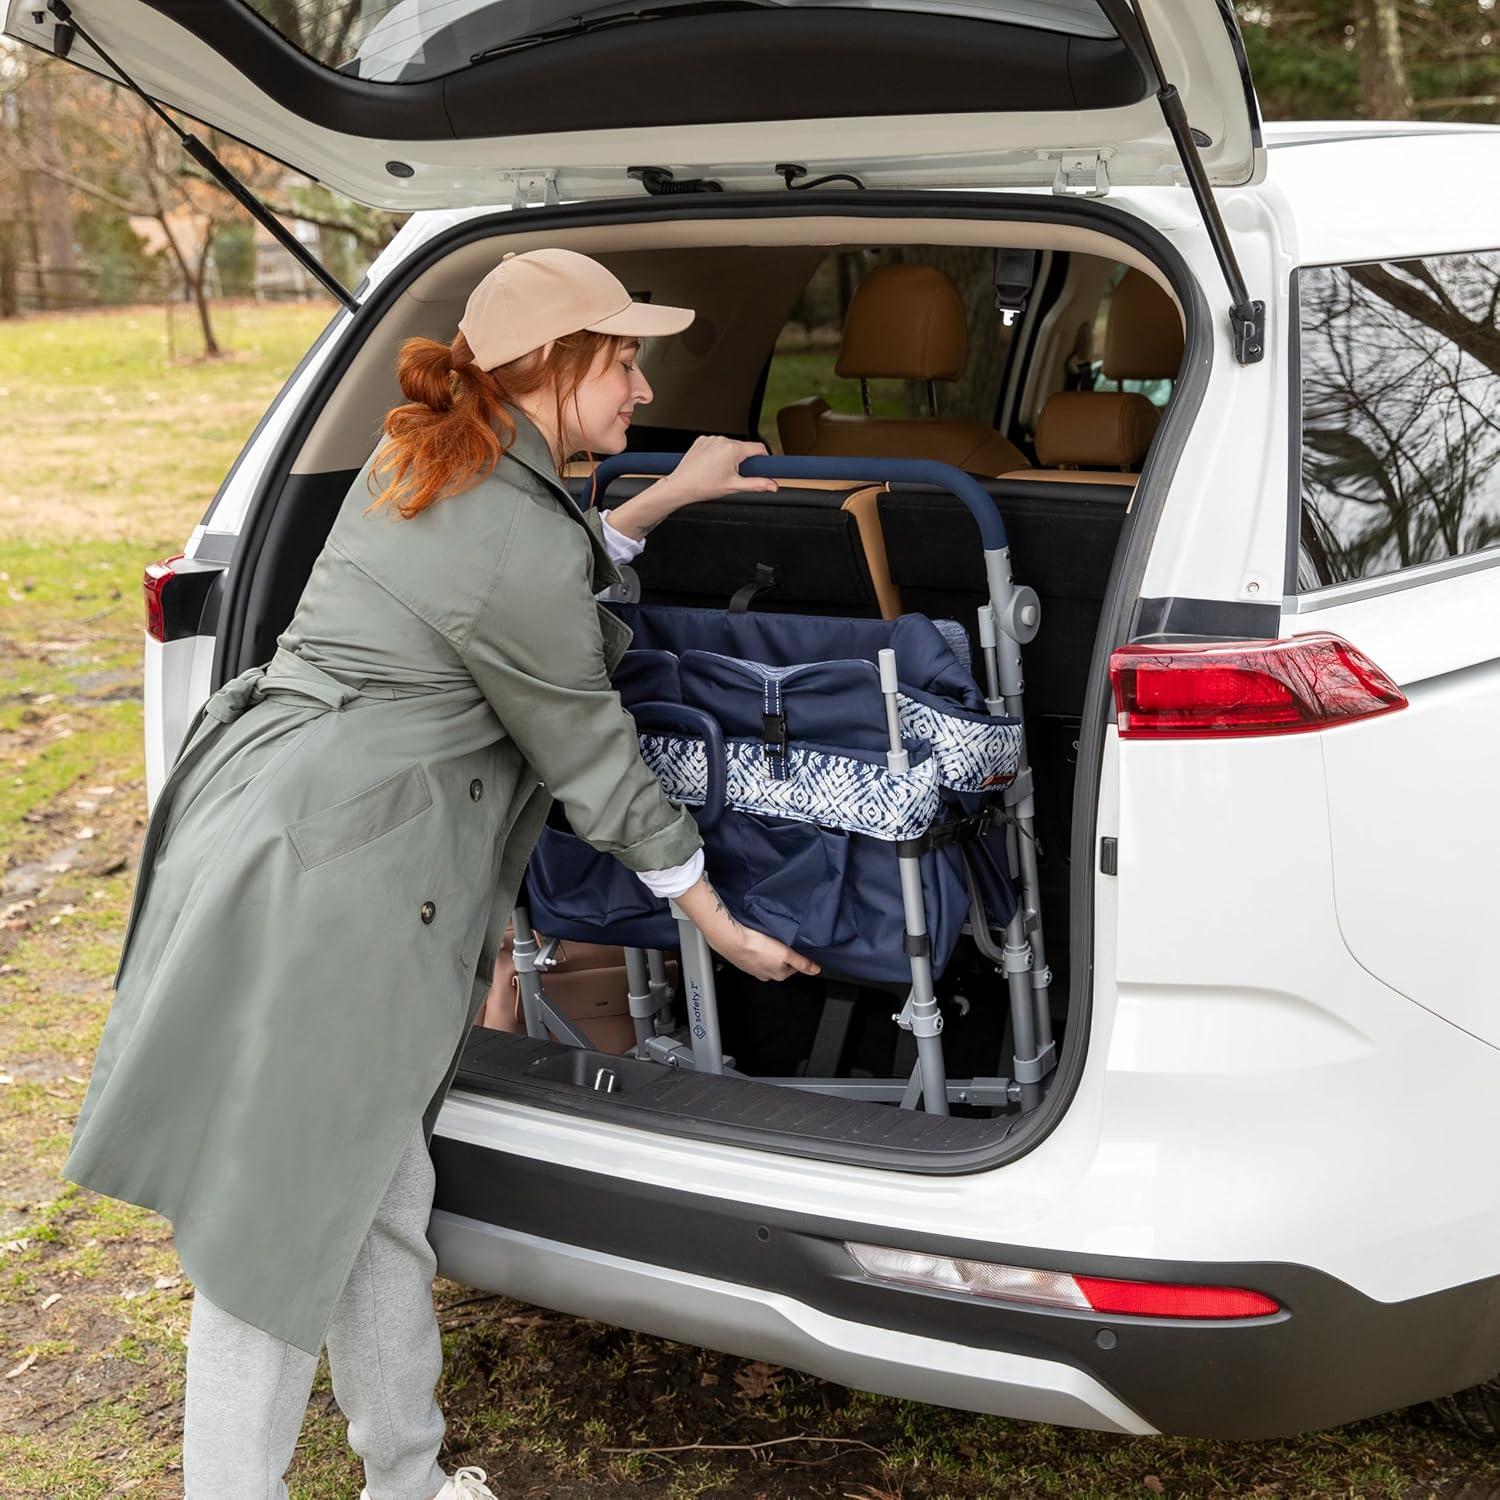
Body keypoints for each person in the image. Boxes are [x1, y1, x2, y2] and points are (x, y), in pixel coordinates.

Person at [61, 247, 820, 1499]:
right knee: (275, 1224)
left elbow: (525, 585)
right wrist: (714, 914)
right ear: (550, 366)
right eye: (620, 358)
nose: (641, 384)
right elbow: (586, 741)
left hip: (273, 819)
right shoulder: (499, 526)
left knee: (376, 1189)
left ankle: (405, 1479)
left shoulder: (425, 452)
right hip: (333, 879)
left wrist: (662, 499)